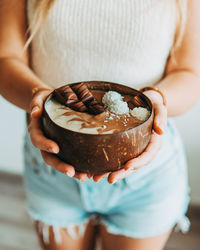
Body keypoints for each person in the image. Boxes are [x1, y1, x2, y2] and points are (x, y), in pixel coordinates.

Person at [0, 0, 200, 249]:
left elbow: (189, 72)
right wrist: (38, 97)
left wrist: (158, 99)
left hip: (146, 174)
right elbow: (6, 58)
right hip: (53, 165)